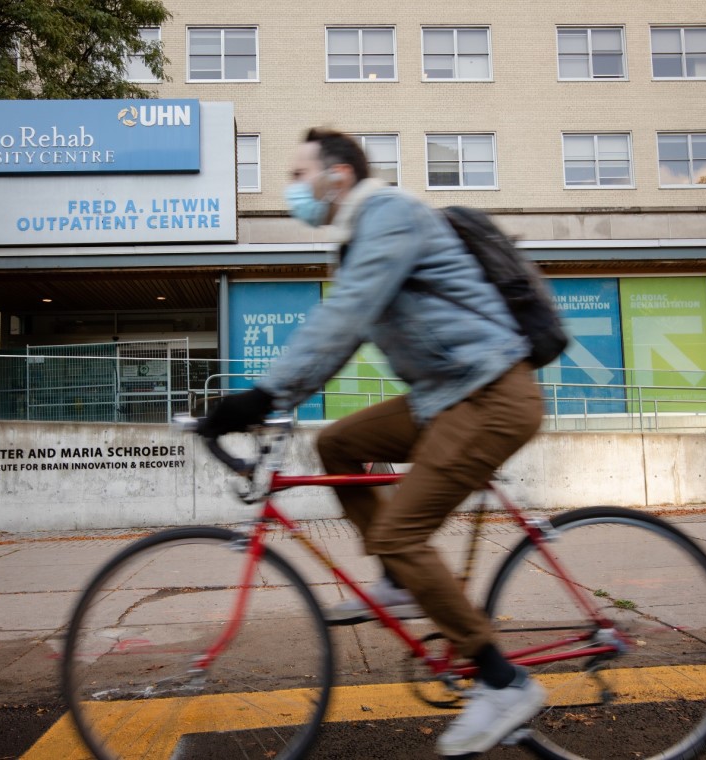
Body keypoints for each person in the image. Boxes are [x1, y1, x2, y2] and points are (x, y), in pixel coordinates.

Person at [198, 128, 546, 757]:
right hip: (447, 396)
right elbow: (345, 335)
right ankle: (399, 579)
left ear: (338, 175)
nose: (291, 188)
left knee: (401, 530)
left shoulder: (391, 214)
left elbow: (345, 317)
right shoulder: (362, 237)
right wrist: (279, 401)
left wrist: (262, 396)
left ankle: (503, 683)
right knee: (338, 445)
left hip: (493, 395)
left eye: (298, 174)